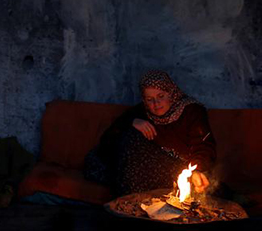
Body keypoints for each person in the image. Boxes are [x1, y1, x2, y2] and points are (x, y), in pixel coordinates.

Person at [84, 70, 216, 196]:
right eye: (149, 99)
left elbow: (204, 146)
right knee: (129, 138)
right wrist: (132, 122)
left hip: (180, 171)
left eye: (161, 96)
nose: (156, 103)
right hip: (143, 173)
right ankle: (131, 206)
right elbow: (107, 140)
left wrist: (196, 170)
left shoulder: (191, 111)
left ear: (171, 93)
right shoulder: (141, 112)